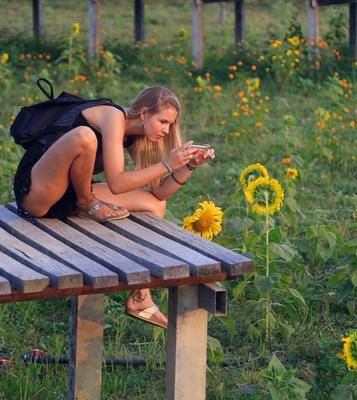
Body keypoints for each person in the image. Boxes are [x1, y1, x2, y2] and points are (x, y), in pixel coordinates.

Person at [13, 86, 214, 329]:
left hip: (70, 195)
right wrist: (167, 163)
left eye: (170, 125)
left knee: (154, 204)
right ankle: (87, 202)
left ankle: (141, 297)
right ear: (143, 113)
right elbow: (117, 184)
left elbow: (159, 193)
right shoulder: (113, 117)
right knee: (85, 137)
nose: (166, 130)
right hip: (37, 192)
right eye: (162, 121)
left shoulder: (135, 137)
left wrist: (188, 166)